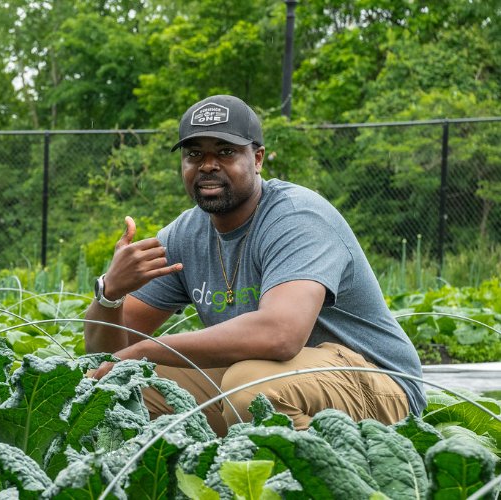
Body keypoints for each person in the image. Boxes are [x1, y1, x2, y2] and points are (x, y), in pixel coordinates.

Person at [83, 95, 425, 435]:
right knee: (114, 387)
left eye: (225, 151)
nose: (207, 164)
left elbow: (281, 335)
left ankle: (335, 480)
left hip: (376, 381)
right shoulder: (184, 235)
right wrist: (109, 293)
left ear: (257, 158)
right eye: (194, 154)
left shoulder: (296, 217)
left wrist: (145, 349)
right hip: (263, 376)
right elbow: (108, 354)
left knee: (251, 389)